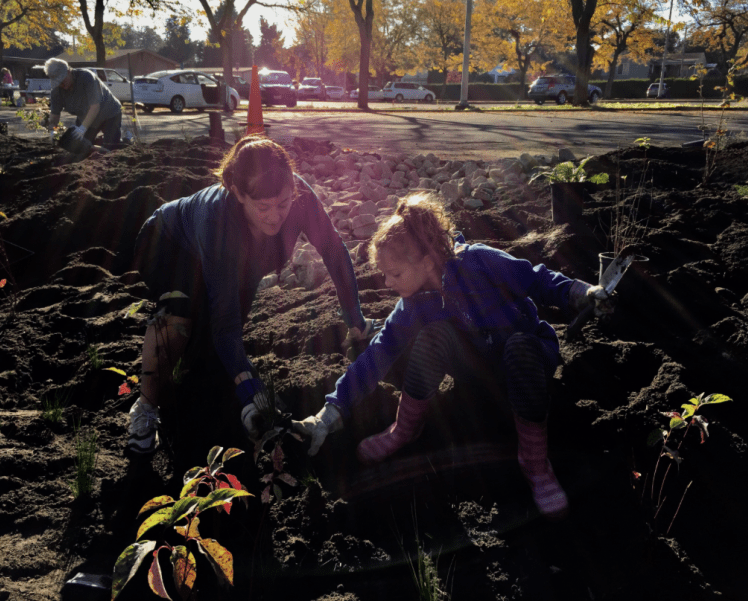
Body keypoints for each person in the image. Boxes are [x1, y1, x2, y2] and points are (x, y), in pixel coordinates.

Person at [293, 192, 612, 518]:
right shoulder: (414, 304)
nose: (387, 282)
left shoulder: (480, 261)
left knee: (520, 347)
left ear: (427, 261)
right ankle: (405, 430)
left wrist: (582, 293)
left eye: (395, 274)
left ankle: (534, 462)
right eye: (385, 274)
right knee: (433, 337)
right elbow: (378, 352)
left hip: (525, 363)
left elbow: (537, 280)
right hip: (478, 374)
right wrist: (331, 410)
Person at [128, 134, 377, 455]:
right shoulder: (216, 219)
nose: (276, 215)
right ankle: (146, 406)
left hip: (232, 261)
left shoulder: (299, 196)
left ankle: (191, 382)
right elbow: (227, 325)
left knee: (213, 358)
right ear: (237, 192)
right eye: (264, 207)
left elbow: (333, 250)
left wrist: (354, 317)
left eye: (283, 203)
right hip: (167, 245)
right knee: (181, 316)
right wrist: (250, 390)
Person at [44, 58, 122, 149]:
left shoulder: (87, 77)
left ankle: (125, 142)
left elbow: (95, 107)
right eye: (58, 83)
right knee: (79, 147)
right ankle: (97, 146)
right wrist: (52, 128)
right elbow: (55, 115)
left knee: (111, 147)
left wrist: (82, 129)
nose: (61, 85)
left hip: (109, 113)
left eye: (62, 80)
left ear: (69, 71)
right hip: (87, 118)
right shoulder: (57, 91)